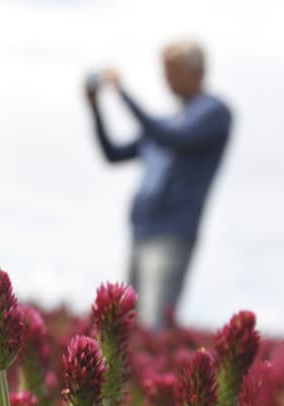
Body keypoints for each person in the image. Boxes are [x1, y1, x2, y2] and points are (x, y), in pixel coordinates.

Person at [86, 39, 232, 331]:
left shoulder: (213, 113)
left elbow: (172, 137)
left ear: (197, 71)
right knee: (125, 326)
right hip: (141, 231)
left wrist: (121, 93)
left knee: (153, 325)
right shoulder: (165, 123)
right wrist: (95, 109)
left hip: (173, 234)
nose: (166, 78)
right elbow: (113, 154)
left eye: (172, 70)